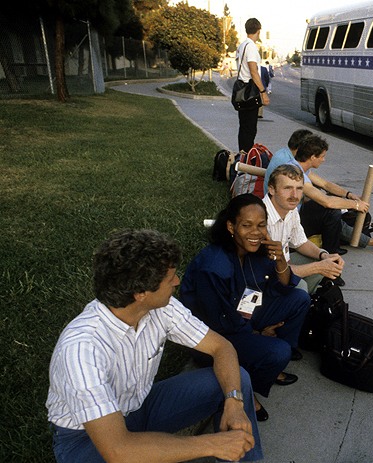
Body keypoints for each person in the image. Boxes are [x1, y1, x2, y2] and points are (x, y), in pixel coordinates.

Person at [46, 229, 262, 463]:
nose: (177, 282)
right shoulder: (82, 349)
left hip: (141, 408)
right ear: (140, 293)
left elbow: (222, 348)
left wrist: (233, 401)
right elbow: (118, 451)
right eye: (170, 279)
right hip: (87, 439)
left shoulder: (161, 308)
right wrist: (211, 444)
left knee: (237, 377)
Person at [180, 194, 310, 422]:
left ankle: (268, 364)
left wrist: (280, 260)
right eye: (247, 225)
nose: (255, 233)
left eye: (261, 225)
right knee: (278, 351)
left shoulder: (255, 252)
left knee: (299, 299)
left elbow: (280, 289)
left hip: (244, 313)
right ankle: (248, 387)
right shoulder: (214, 266)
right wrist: (257, 333)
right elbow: (218, 322)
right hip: (215, 335)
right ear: (231, 226)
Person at [268, 134, 373, 256]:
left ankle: (344, 242)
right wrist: (356, 205)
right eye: (322, 156)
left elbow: (326, 184)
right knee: (331, 212)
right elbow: (327, 201)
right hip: (288, 220)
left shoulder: (298, 167)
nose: (324, 160)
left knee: (341, 212)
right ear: (313, 157)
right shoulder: (296, 174)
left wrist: (349, 195)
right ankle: (342, 249)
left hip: (295, 214)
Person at [264, 163, 345, 293]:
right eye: (287, 188)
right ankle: (293, 300)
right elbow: (273, 271)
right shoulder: (261, 219)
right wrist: (318, 267)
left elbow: (300, 242)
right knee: (301, 286)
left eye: (299, 189)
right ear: (272, 189)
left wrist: (323, 255)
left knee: (324, 258)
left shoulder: (290, 209)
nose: (294, 195)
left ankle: (301, 300)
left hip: (284, 264)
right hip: (264, 276)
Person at [236, 18, 269, 153]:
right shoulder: (251, 47)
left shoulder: (242, 45)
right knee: (250, 129)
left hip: (241, 90)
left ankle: (242, 158)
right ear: (258, 31)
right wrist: (263, 91)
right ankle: (246, 162)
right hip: (249, 92)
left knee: (244, 128)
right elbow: (254, 72)